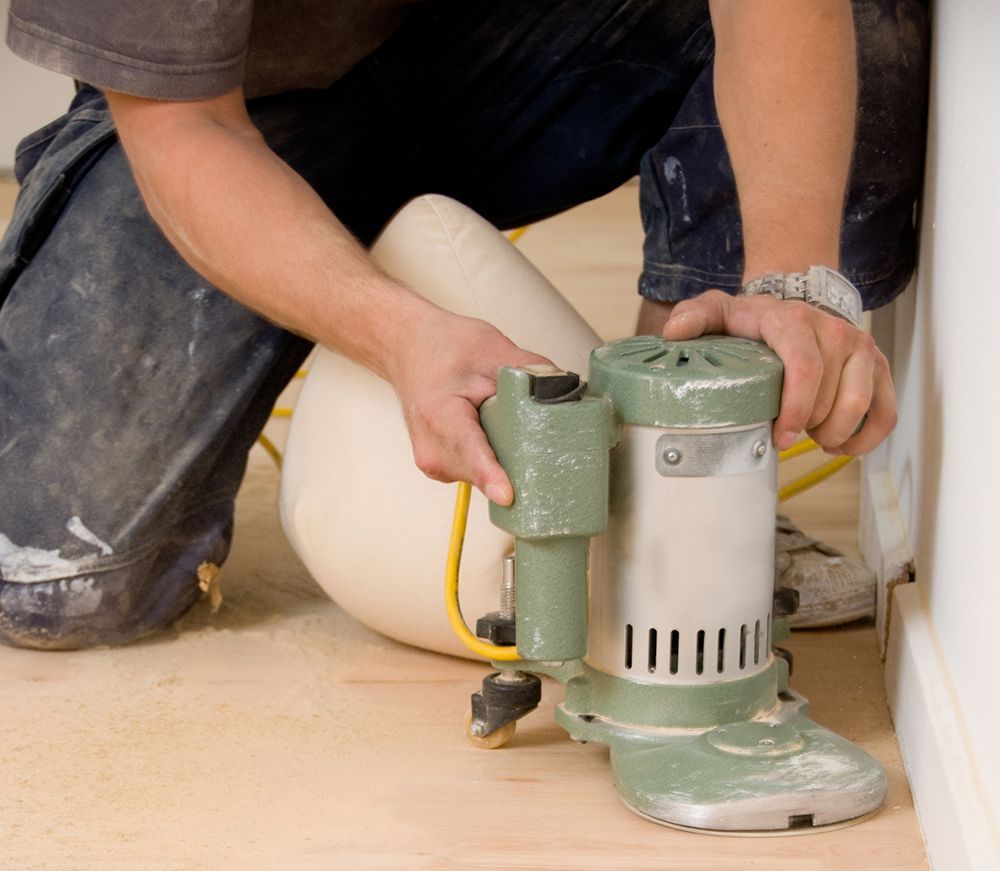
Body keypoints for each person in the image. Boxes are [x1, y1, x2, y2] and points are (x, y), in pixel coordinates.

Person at [0, 0, 929, 649]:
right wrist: (399, 335)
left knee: (864, 13)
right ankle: (309, 298)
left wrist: (792, 278)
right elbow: (181, 129)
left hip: (540, 37)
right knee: (62, 581)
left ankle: (685, 487)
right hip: (240, 104)